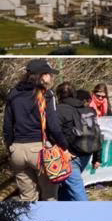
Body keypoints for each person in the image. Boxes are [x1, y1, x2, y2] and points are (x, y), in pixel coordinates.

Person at [3, 58, 68, 201]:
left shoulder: (13, 93)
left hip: (17, 151)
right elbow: (53, 126)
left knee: (26, 197)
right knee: (50, 196)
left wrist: (11, 148)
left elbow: (7, 127)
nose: (51, 77)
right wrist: (64, 147)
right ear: (42, 75)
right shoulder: (46, 94)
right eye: (49, 74)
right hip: (40, 151)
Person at [55, 84, 103, 201]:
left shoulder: (59, 110)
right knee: (65, 189)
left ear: (58, 95)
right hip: (86, 154)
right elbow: (97, 133)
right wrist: (97, 157)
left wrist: (64, 149)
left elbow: (54, 132)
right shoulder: (89, 110)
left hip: (70, 157)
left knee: (77, 192)